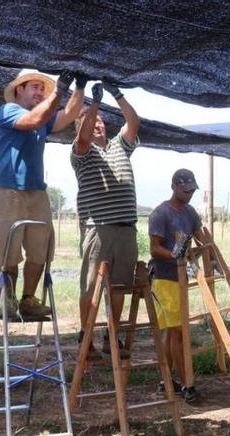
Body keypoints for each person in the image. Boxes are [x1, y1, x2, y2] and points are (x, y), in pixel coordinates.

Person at [0, 70, 85, 318]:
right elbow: (32, 120)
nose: (40, 92)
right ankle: (8, 301)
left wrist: (80, 88)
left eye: (42, 89)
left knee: (39, 250)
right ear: (19, 89)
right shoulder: (8, 111)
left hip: (36, 192)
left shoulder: (42, 119)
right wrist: (60, 90)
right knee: (9, 252)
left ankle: (28, 300)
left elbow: (70, 115)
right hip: (8, 190)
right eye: (35, 87)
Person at [71, 81, 140, 357]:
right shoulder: (81, 153)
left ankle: (112, 338)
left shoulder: (120, 146)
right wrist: (94, 103)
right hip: (98, 230)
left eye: (100, 121)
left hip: (126, 230)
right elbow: (85, 137)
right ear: (78, 128)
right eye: (90, 121)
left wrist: (117, 94)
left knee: (120, 286)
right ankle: (86, 341)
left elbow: (134, 122)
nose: (97, 124)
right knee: (91, 287)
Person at [148, 169, 203, 402]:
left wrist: (206, 255)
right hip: (163, 279)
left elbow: (202, 238)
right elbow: (154, 248)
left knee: (173, 332)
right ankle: (185, 382)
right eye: (185, 190)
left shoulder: (191, 213)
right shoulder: (161, 213)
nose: (189, 194)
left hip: (181, 279)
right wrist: (176, 256)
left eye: (192, 190)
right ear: (174, 187)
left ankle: (165, 378)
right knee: (178, 332)